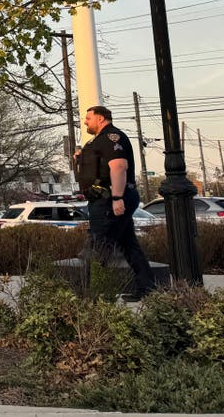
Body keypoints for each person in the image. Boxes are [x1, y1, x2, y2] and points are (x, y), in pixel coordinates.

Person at [76, 105, 155, 301]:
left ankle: (93, 296)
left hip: (109, 199)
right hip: (104, 198)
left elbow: (119, 167)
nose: (85, 122)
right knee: (128, 245)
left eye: (88, 118)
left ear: (100, 118)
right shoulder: (97, 141)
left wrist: (117, 198)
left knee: (98, 247)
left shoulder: (111, 137)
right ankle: (147, 288)